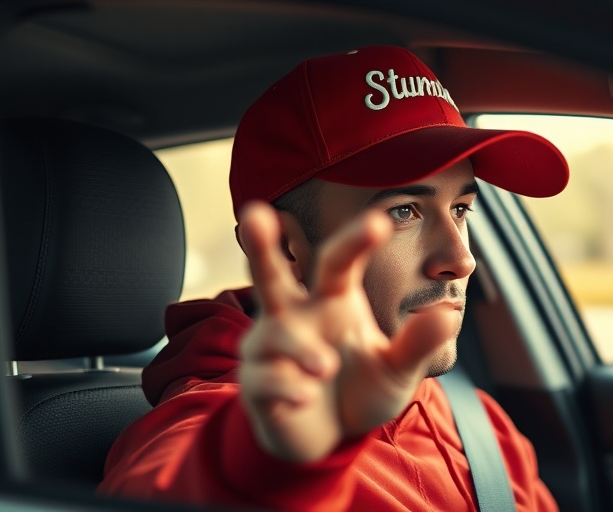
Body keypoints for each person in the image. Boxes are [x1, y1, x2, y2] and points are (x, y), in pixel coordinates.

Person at [98, 45, 569, 511]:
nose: (461, 260)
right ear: (286, 247)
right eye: (404, 211)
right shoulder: (233, 425)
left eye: (460, 209)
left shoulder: (482, 424)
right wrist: (270, 466)